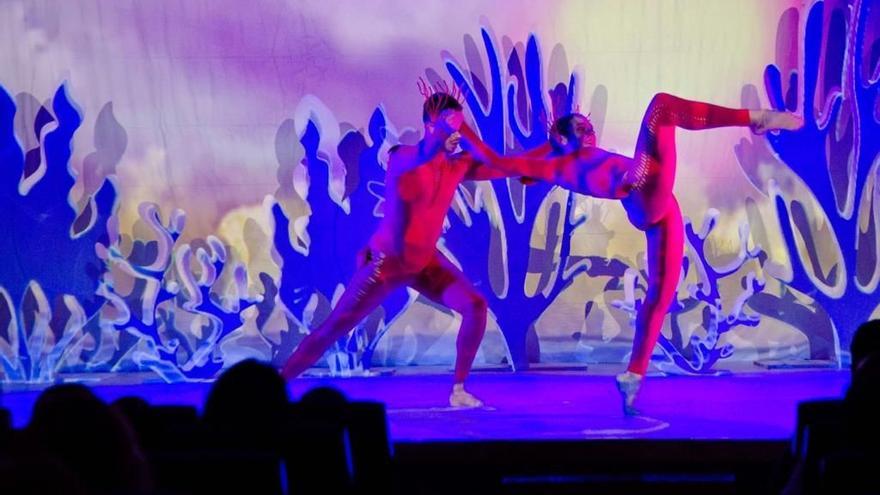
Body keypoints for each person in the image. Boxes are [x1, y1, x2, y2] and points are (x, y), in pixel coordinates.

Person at [459, 92, 803, 414]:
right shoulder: (553, 166)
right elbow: (495, 163)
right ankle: (757, 118)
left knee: (661, 294)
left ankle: (633, 377)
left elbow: (503, 163)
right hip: (638, 189)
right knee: (662, 108)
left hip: (659, 206)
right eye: (580, 126)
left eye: (588, 124)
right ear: (561, 139)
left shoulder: (576, 155)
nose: (589, 128)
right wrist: (458, 131)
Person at [282, 87, 525, 408]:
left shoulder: (455, 166)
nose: (457, 132)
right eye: (450, 125)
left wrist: (546, 161)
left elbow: (504, 166)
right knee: (332, 331)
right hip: (387, 264)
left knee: (475, 306)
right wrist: (448, 133)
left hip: (425, 263)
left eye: (459, 125)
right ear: (430, 125)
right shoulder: (403, 157)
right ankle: (276, 387)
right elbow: (425, 154)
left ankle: (458, 390)